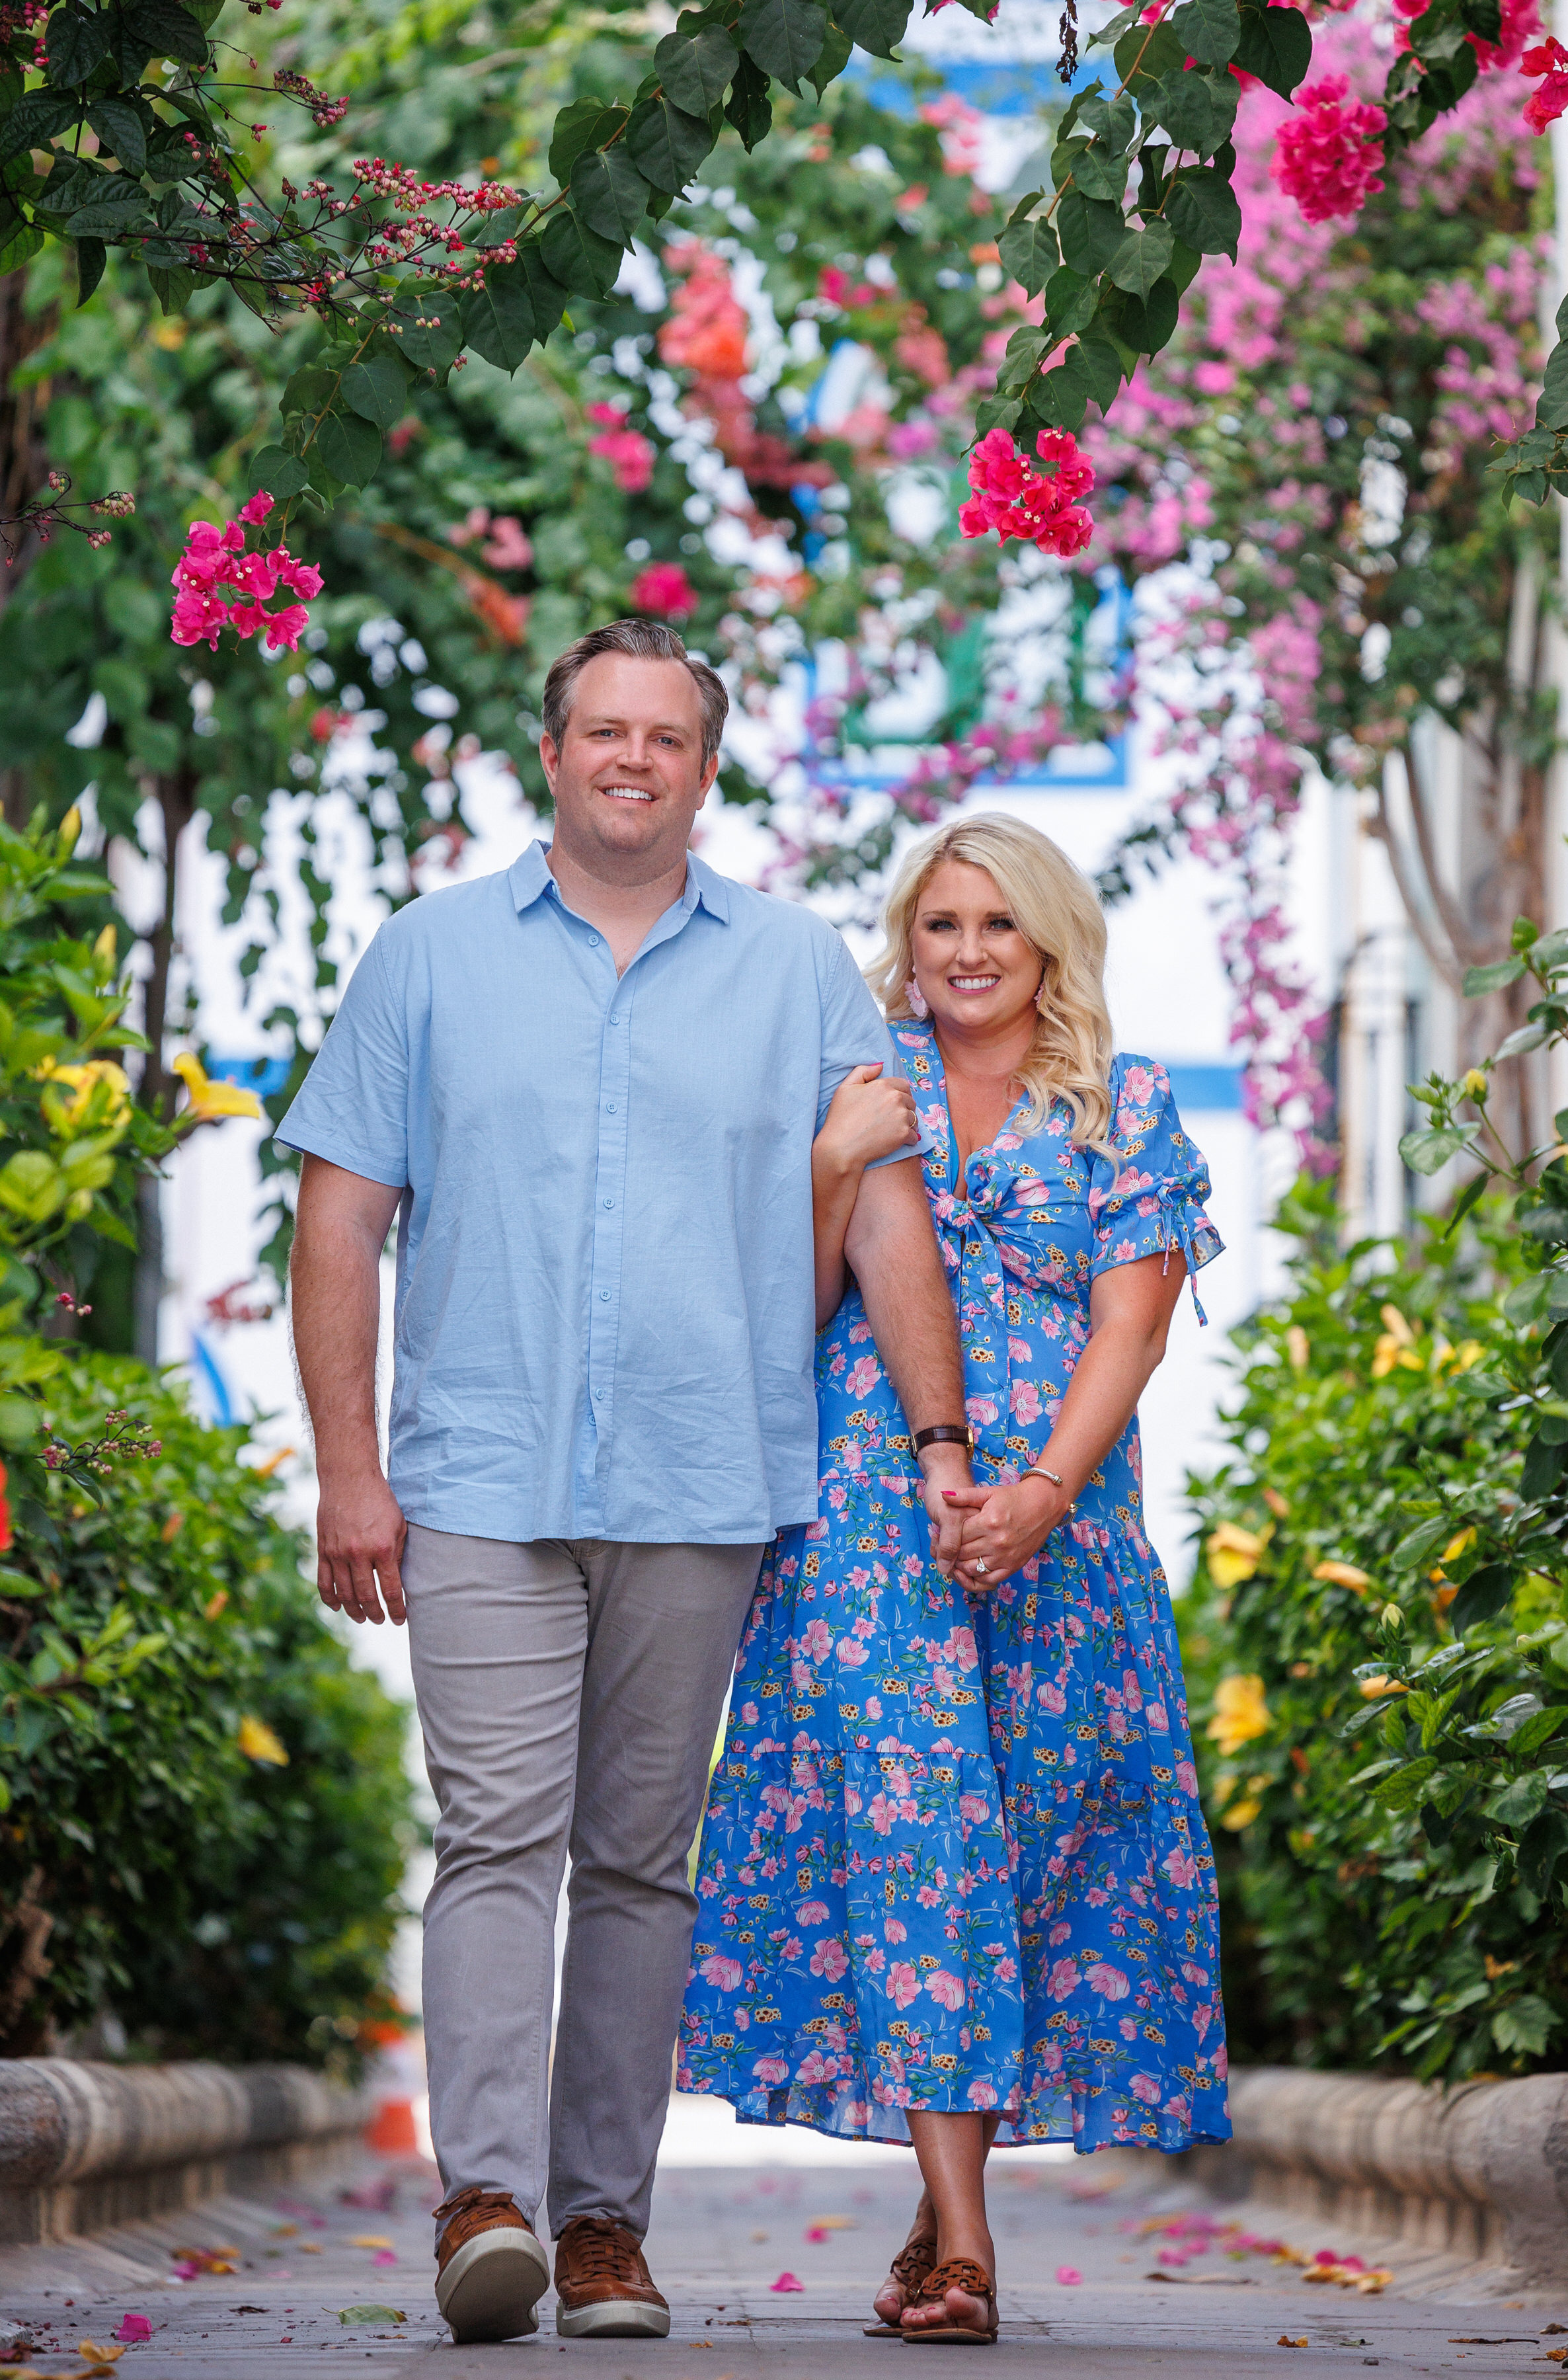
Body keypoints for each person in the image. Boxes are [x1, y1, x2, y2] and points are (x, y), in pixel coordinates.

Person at [278, 621, 978, 2347]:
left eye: (666, 736)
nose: (633, 760)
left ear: (705, 766)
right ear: (554, 751)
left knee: (643, 1860)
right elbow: (341, 1222)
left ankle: (604, 2221)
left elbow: (882, 1203)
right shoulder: (430, 959)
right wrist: (349, 1474)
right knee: (499, 1832)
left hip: (705, 1479)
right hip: (481, 1481)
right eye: (604, 730)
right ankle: (489, 2199)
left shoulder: (799, 968)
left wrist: (943, 1442)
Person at [678, 813, 1231, 2346]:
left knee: (1039, 1864)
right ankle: (975, 2250)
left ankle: (940, 2204)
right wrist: (828, 1164)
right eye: (940, 926)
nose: (969, 951)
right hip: (874, 1526)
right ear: (904, 945)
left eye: (998, 923)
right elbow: (771, 1308)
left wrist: (1045, 1492)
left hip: (1068, 1525)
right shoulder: (867, 1090)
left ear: (1050, 938)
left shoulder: (1122, 1103)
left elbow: (1134, 1325)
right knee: (919, 1846)